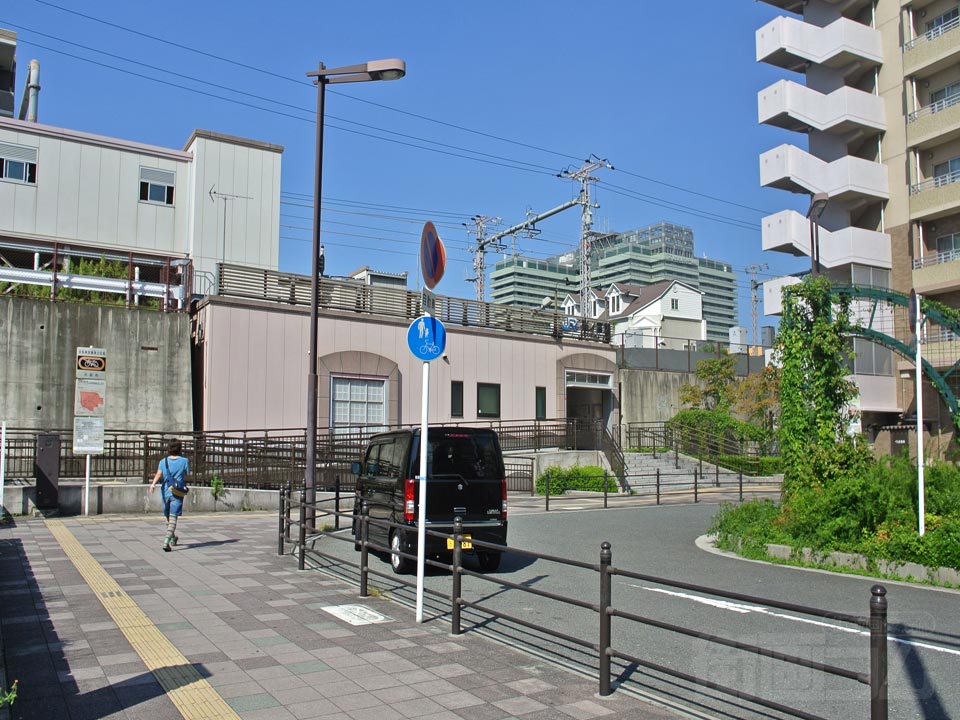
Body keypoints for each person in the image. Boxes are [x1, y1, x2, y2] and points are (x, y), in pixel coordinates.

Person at [149, 439, 190, 551]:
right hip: (178, 492)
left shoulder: (163, 461)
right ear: (180, 449)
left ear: (169, 449)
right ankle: (169, 539)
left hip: (165, 491)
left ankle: (170, 539)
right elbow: (187, 473)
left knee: (168, 517)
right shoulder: (185, 461)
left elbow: (159, 473)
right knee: (173, 517)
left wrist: (153, 485)